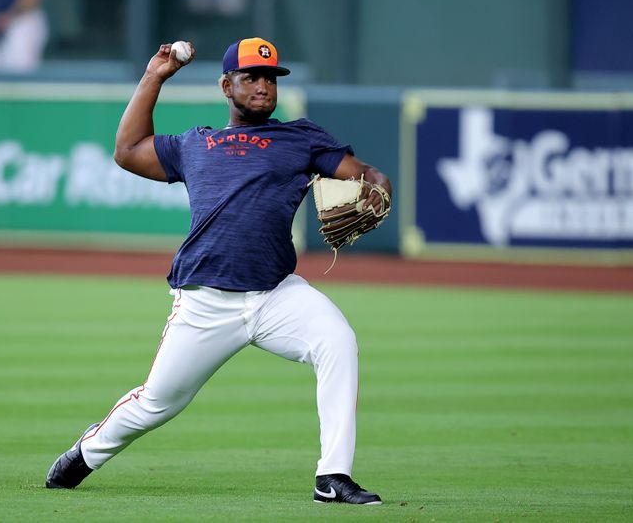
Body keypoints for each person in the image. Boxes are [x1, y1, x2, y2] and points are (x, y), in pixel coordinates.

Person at [45, 37, 391, 505]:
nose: (264, 86)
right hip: (206, 301)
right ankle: (85, 452)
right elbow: (127, 150)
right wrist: (155, 76)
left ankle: (332, 476)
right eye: (251, 77)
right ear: (226, 85)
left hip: (276, 295)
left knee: (337, 340)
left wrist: (377, 182)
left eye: (270, 77)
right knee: (157, 402)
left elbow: (363, 172)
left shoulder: (301, 139)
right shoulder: (197, 143)